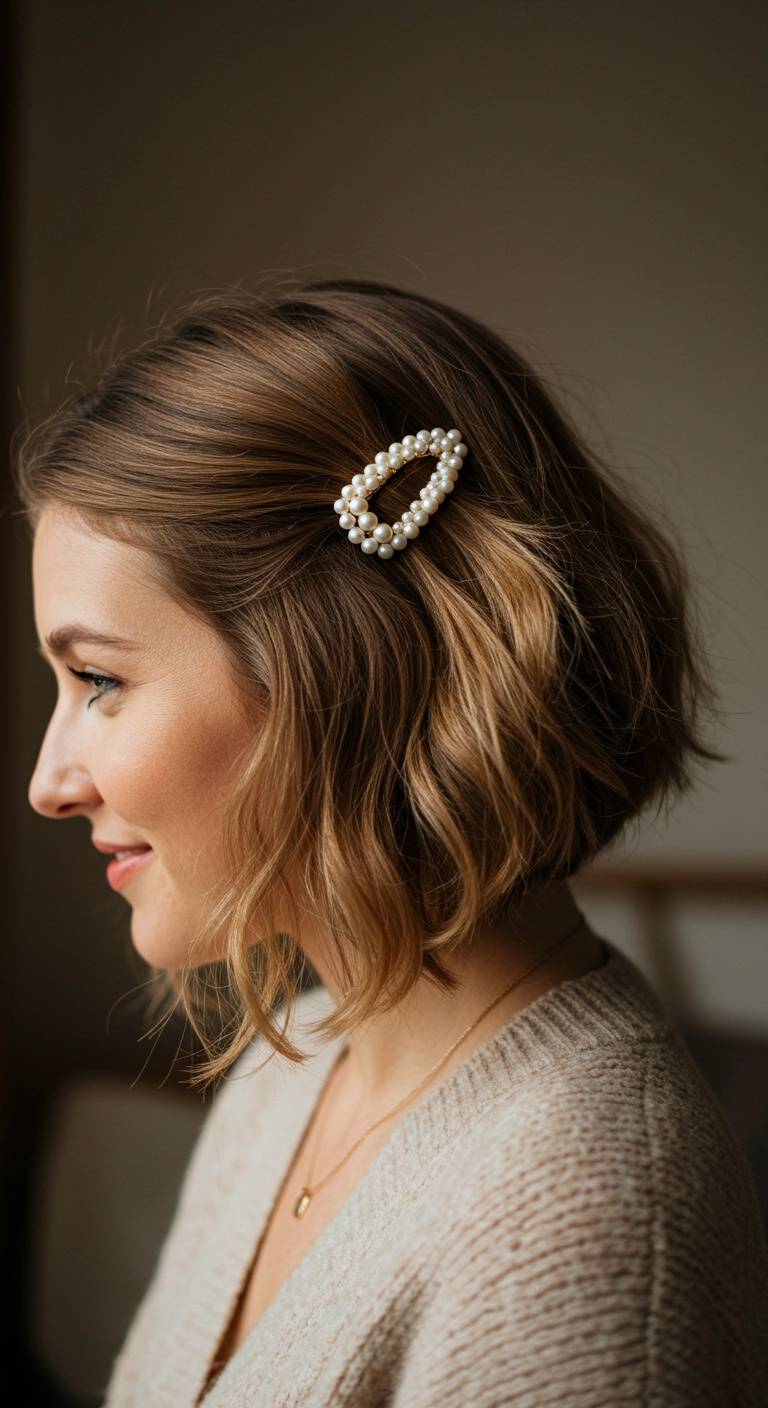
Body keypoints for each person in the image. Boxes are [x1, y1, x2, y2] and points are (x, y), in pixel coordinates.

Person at [20, 282, 767, 1407]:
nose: (47, 783)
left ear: (336, 670)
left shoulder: (591, 1230)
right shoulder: (301, 1055)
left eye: (100, 680)